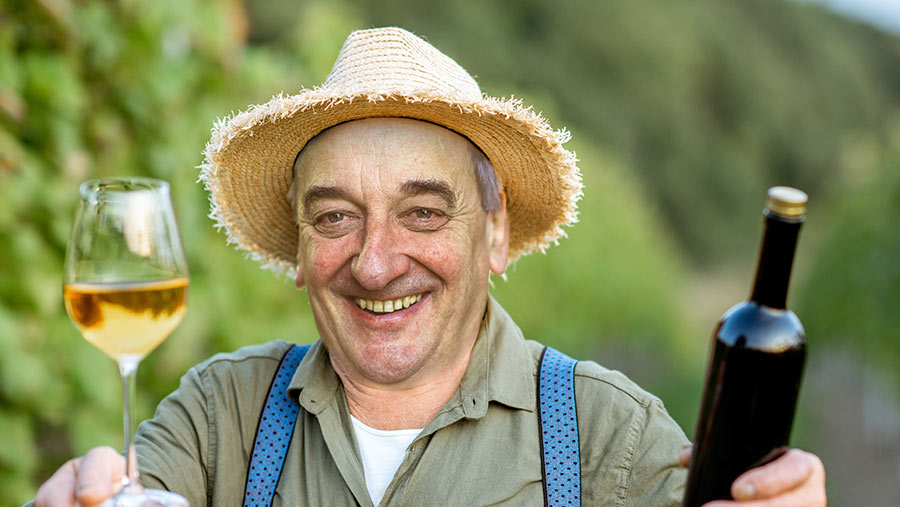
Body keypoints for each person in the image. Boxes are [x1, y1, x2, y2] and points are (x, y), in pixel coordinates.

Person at [33, 27, 825, 506]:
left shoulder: (607, 438)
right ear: (301, 252)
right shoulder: (221, 417)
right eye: (337, 216)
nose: (376, 264)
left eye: (423, 212)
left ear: (495, 234)